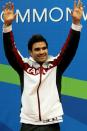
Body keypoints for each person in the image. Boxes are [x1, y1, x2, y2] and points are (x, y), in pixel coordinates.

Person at [2, 0, 83, 131]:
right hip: (28, 124)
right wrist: (7, 26)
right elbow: (10, 51)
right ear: (30, 52)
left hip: (52, 124)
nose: (42, 52)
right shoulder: (24, 66)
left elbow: (70, 48)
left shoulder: (56, 65)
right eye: (37, 49)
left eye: (44, 48)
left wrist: (76, 24)